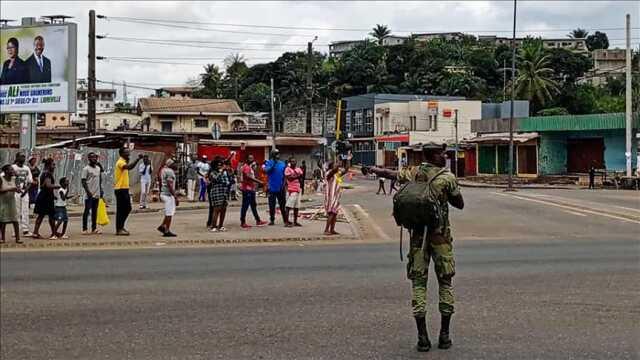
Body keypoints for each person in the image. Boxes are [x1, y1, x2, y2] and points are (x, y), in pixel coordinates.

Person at [364, 144, 464, 353]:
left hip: (418, 238)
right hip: (441, 238)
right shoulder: (447, 177)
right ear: (432, 155)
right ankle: (444, 335)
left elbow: (391, 174)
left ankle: (422, 337)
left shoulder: (413, 172)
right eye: (441, 153)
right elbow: (459, 203)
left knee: (419, 284)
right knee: (445, 282)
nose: (444, 156)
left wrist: (374, 170)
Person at [114, 148, 143, 236]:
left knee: (126, 208)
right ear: (121, 154)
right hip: (120, 189)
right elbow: (129, 167)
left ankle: (121, 227)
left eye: (128, 152)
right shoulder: (120, 162)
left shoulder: (124, 161)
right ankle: (119, 229)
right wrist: (137, 159)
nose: (128, 154)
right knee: (122, 210)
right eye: (126, 152)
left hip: (124, 189)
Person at [32, 158, 60, 240]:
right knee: (48, 216)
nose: (54, 166)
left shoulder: (45, 173)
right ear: (49, 165)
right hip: (45, 198)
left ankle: (38, 232)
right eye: (53, 164)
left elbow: (44, 186)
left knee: (44, 215)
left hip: (45, 196)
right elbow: (48, 185)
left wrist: (53, 195)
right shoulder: (47, 174)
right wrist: (59, 186)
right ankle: (51, 233)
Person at [240, 154, 267, 229]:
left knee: (253, 205)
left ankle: (258, 220)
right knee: (245, 206)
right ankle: (243, 222)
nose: (251, 159)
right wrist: (259, 182)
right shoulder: (246, 167)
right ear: (247, 159)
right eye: (250, 158)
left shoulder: (249, 167)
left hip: (251, 189)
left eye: (252, 158)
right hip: (247, 189)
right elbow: (248, 177)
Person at [323, 161, 349, 235]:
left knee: (334, 214)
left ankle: (332, 229)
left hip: (336, 196)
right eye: (335, 165)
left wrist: (348, 159)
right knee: (331, 213)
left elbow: (346, 170)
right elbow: (334, 170)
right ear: (331, 167)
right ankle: (326, 230)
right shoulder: (329, 173)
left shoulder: (337, 175)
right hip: (330, 197)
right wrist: (337, 165)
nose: (338, 167)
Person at [263, 150, 287, 225]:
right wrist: (273, 164)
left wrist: (284, 184)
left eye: (278, 154)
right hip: (272, 188)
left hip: (281, 187)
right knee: (271, 205)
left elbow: (285, 175)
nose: (277, 155)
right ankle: (272, 219)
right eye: (276, 154)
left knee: (283, 205)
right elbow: (266, 171)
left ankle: (285, 220)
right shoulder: (269, 163)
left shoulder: (282, 163)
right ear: (272, 155)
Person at [81, 152, 103, 235]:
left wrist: (100, 190)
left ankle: (94, 228)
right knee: (86, 211)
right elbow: (83, 181)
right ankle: (84, 228)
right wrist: (88, 192)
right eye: (92, 157)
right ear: (89, 159)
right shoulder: (86, 169)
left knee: (95, 212)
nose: (94, 159)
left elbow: (100, 180)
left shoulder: (98, 168)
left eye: (95, 157)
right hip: (89, 194)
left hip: (97, 193)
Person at [12, 153, 33, 236]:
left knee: (25, 211)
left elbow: (30, 181)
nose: (23, 158)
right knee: (16, 211)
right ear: (17, 158)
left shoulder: (27, 168)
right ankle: (15, 230)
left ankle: (25, 230)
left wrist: (26, 191)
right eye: (21, 156)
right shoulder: (12, 167)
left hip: (25, 192)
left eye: (24, 156)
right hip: (15, 192)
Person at [0, 164, 22, 244]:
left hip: (11, 201)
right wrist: (10, 189)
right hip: (3, 202)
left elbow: (17, 187)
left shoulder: (13, 179)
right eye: (11, 170)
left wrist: (17, 189)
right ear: (6, 171)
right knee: (3, 221)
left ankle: (18, 238)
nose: (13, 171)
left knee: (15, 220)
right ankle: (2, 238)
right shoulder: (1, 179)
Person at [207, 157, 230, 232]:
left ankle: (221, 225)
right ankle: (213, 226)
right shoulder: (212, 172)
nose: (219, 166)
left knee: (224, 209)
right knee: (216, 209)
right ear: (214, 165)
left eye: (221, 165)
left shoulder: (224, 172)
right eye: (218, 165)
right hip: (216, 192)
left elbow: (227, 182)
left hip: (224, 191)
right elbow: (215, 179)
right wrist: (221, 172)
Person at [157, 159, 178, 237]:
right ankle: (167, 230)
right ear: (171, 164)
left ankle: (162, 226)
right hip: (168, 194)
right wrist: (175, 196)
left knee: (170, 211)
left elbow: (160, 181)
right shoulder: (170, 172)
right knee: (169, 213)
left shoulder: (163, 170)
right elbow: (169, 184)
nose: (176, 165)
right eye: (174, 163)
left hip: (164, 193)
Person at [284, 157, 304, 227]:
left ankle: (295, 221)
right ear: (289, 162)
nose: (294, 163)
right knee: (288, 206)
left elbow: (301, 177)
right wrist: (297, 176)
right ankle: (286, 222)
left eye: (295, 161)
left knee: (296, 207)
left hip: (298, 189)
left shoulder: (298, 169)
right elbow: (289, 179)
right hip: (291, 189)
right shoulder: (287, 169)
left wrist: (297, 177)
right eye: (292, 161)